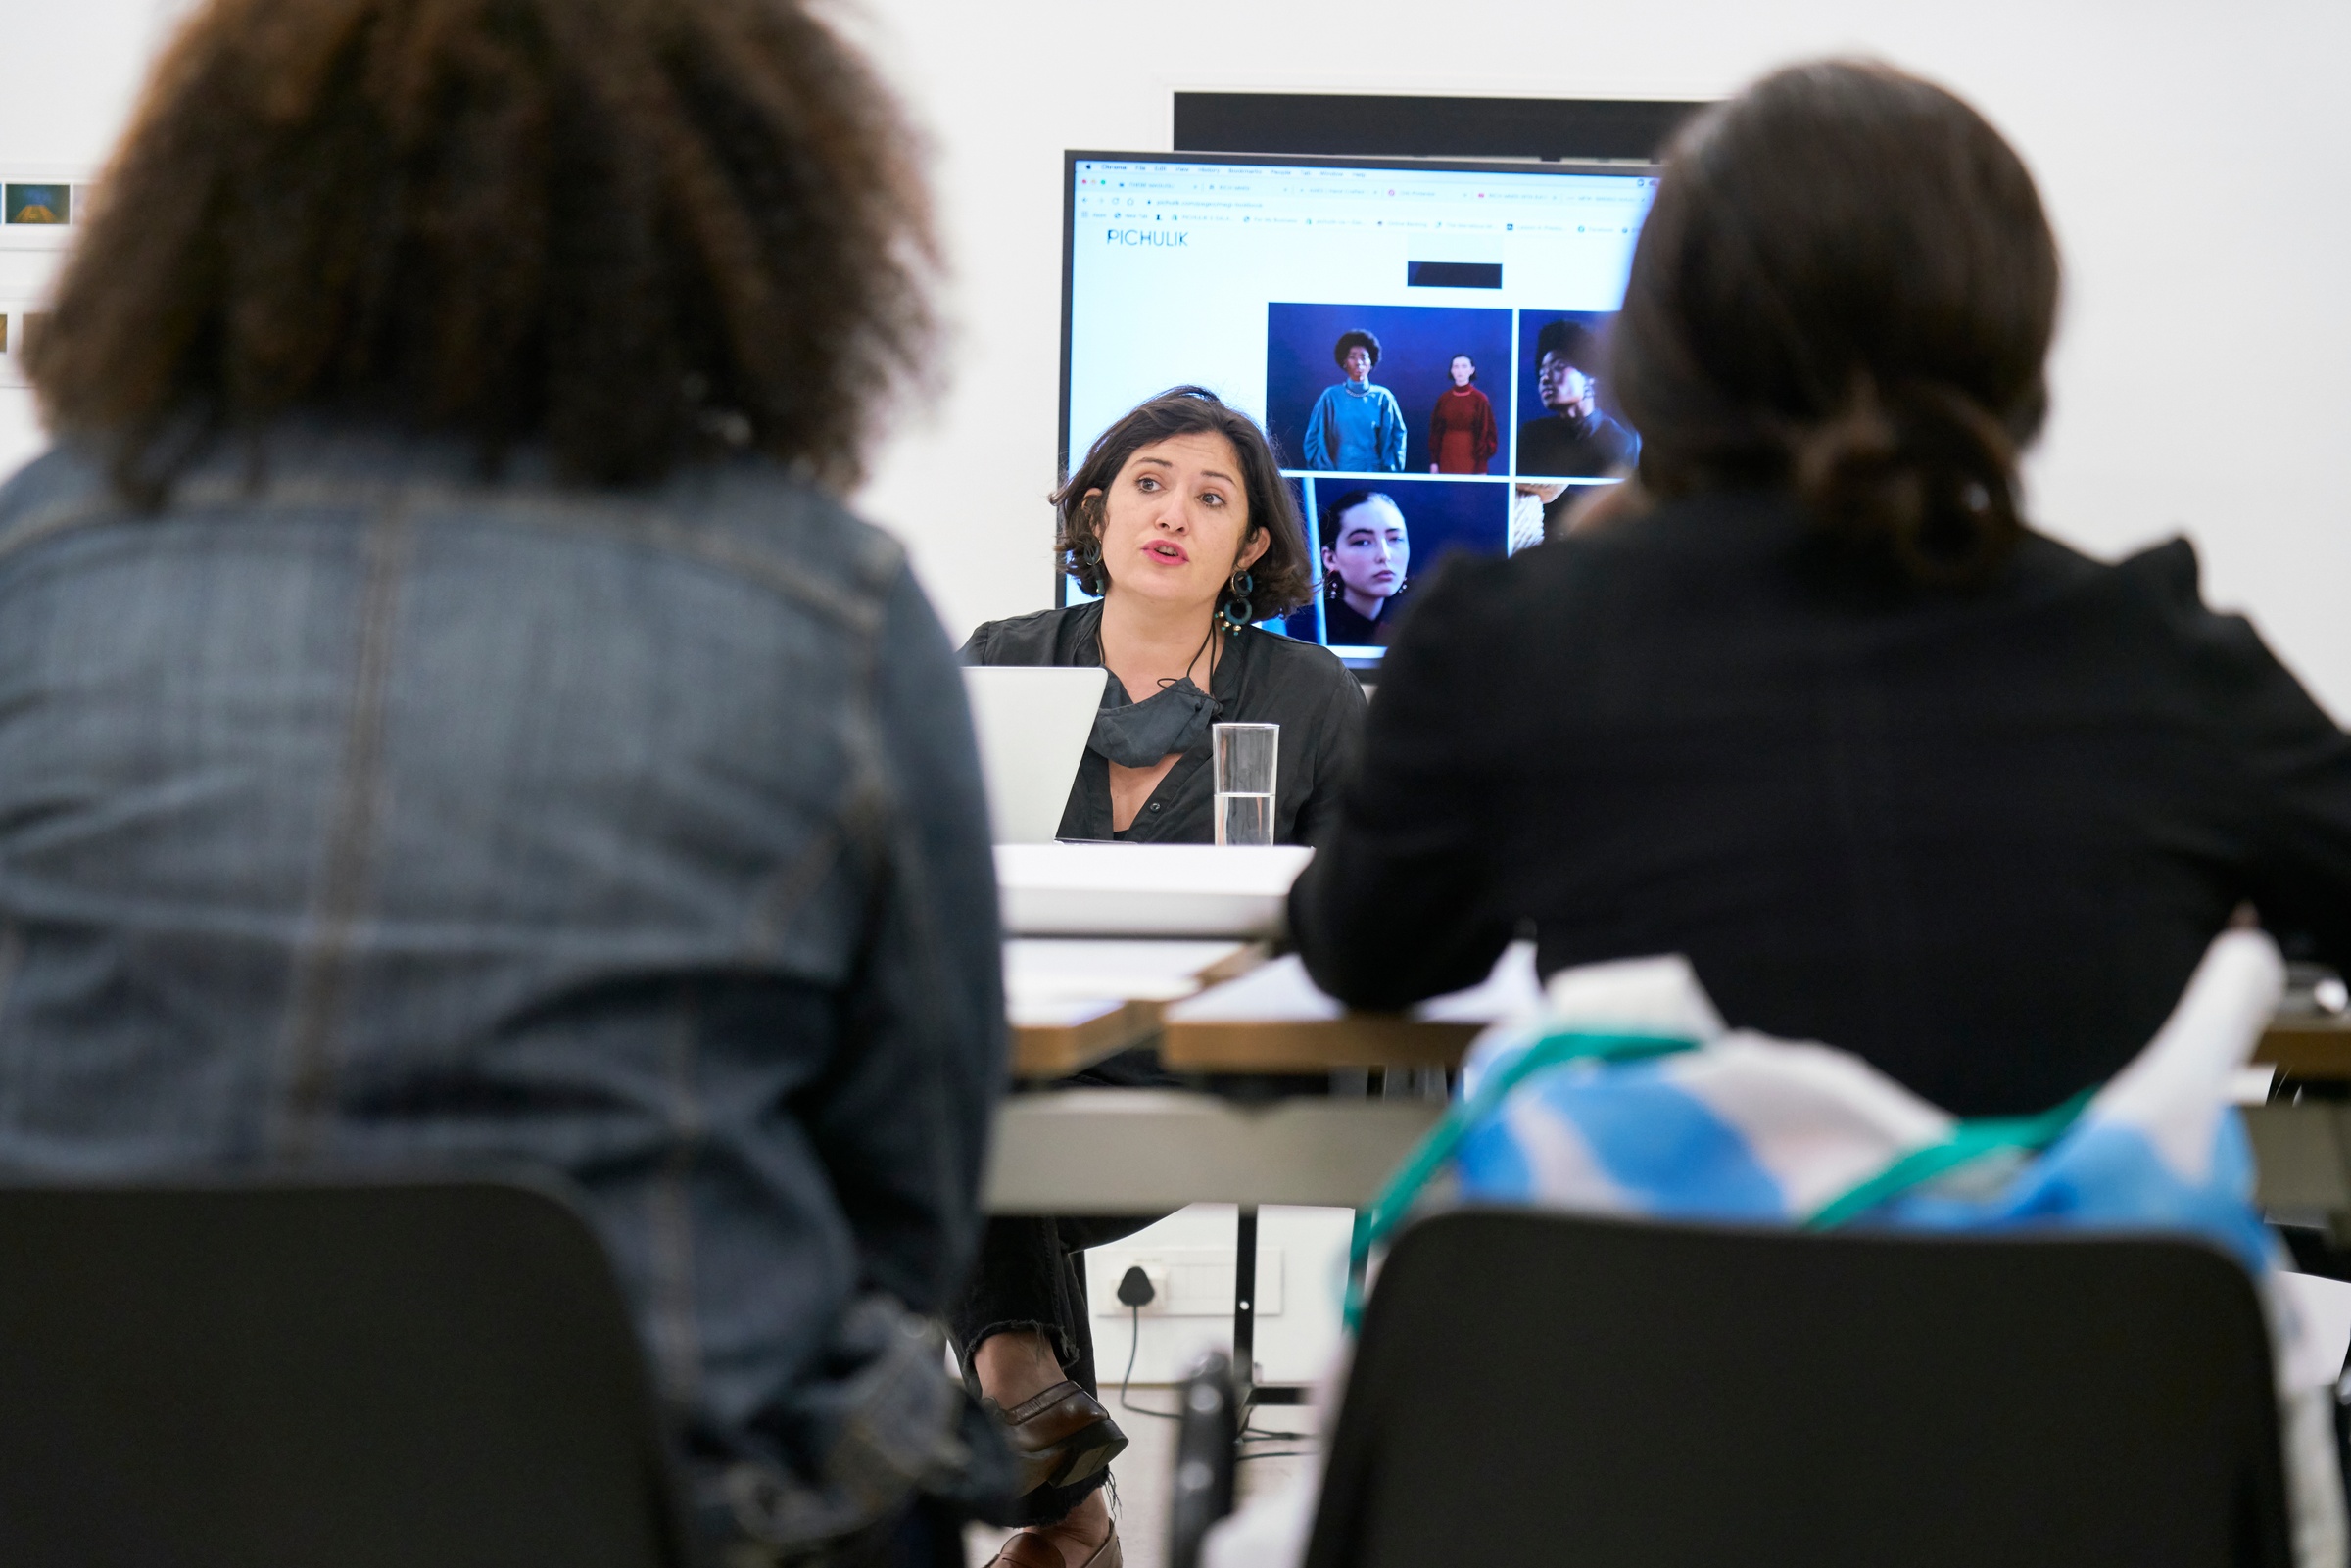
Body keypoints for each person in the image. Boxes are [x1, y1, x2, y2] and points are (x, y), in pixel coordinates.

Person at [1, 2, 1000, 1564]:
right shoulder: (834, 618)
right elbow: (913, 1212)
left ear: (209, 202)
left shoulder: (29, 570)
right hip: (673, 1521)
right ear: (735, 223)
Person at [1292, 57, 2351, 1131]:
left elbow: (1368, 949)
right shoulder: (2161, 654)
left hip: (1647, 1297)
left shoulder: (1504, 640)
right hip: (2067, 1299)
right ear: (2014, 338)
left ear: (1656, 350)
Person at [960, 386, 1365, 1568]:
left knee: (954, 1116)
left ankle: (1037, 1434)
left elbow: (1363, 904)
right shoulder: (1000, 659)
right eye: (1146, 482)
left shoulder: (1308, 693)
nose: (1170, 511)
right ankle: (1049, 1452)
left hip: (1210, 1057)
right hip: (1020, 1041)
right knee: (957, 1080)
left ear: (1251, 547)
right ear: (1095, 512)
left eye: (1210, 494)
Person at [1514, 318, 1639, 477]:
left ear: (1590, 377)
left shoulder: (1621, 442)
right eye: (1542, 373)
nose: (1544, 379)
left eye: (1558, 367)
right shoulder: (1531, 437)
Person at [1301, 328, 1407, 473]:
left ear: (1371, 362)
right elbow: (1313, 437)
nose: (1358, 362)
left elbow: (1397, 436)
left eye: (1363, 357)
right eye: (1352, 357)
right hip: (1339, 472)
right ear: (1344, 362)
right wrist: (1325, 472)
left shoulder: (1383, 397)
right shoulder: (1331, 396)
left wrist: (1389, 472)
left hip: (1375, 473)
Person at [1319, 489, 1412, 646]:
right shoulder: (1316, 631)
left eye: (1395, 539)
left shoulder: (1413, 627)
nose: (1384, 555)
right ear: (1330, 558)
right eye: (1363, 542)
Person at [1428, 353, 1499, 474]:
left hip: (1471, 459)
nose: (1460, 370)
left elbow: (1488, 433)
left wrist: (1482, 467)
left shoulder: (1480, 399)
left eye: (1464, 366)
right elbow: (1435, 433)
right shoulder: (1444, 399)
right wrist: (1434, 463)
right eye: (1456, 367)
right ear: (1451, 371)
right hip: (1446, 457)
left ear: (1472, 370)